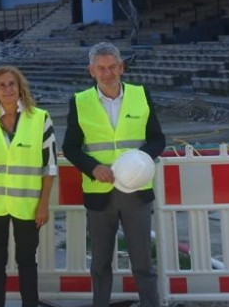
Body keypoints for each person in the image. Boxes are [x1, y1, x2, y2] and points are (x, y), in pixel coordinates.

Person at [61, 42, 166, 307]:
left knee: (143, 262)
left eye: (112, 67)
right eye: (101, 68)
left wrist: (138, 162)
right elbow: (70, 147)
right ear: (92, 71)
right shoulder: (80, 101)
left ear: (121, 67)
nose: (107, 73)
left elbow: (157, 139)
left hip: (136, 192)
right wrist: (93, 168)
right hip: (100, 193)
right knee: (100, 263)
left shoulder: (141, 95)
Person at [0, 66, 56, 307]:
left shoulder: (40, 118)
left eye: (12, 84)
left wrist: (43, 205)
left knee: (27, 261)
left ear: (20, 88)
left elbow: (49, 166)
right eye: (2, 85)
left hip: (28, 205)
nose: (8, 89)